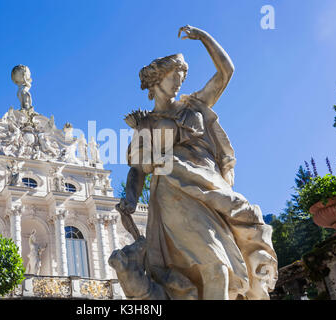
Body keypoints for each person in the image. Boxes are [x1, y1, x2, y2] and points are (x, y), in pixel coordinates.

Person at [115, 25, 277, 300]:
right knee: (217, 267)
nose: (180, 81)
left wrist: (203, 37)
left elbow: (226, 72)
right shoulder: (148, 123)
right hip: (175, 189)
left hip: (211, 186)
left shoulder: (194, 105)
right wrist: (130, 197)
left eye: (182, 75)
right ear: (157, 82)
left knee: (226, 265)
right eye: (174, 76)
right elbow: (137, 167)